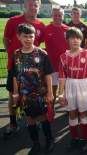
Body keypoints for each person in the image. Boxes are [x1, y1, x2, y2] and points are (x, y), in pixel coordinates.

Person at [3, 0, 45, 136]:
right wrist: (11, 54)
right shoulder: (13, 21)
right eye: (30, 5)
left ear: (39, 8)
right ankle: (13, 123)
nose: (33, 8)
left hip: (32, 69)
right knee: (13, 95)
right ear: (25, 6)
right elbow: (6, 39)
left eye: (36, 6)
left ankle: (33, 120)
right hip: (15, 67)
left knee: (32, 95)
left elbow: (39, 44)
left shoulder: (41, 25)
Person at [58, 27, 87, 153]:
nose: (75, 40)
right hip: (69, 84)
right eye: (72, 38)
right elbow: (62, 77)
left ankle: (84, 139)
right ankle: (74, 138)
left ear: (81, 40)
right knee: (72, 112)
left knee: (83, 113)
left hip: (83, 85)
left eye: (78, 38)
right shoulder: (63, 57)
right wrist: (60, 94)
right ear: (67, 40)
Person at [12, 24, 54, 154]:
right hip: (24, 95)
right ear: (19, 37)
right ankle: (35, 143)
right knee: (29, 119)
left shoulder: (42, 53)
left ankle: (49, 140)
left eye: (31, 36)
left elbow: (48, 74)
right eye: (25, 36)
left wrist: (50, 93)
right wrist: (15, 93)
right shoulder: (16, 54)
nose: (28, 39)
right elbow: (15, 76)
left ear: (35, 36)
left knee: (43, 117)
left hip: (40, 94)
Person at [44, 7, 69, 105]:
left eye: (59, 15)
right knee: (52, 89)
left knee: (67, 88)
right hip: (52, 65)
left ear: (63, 16)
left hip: (65, 65)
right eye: (55, 15)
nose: (57, 17)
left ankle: (68, 108)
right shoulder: (46, 29)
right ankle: (51, 110)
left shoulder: (68, 29)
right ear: (52, 15)